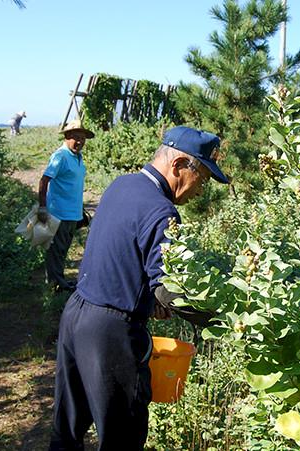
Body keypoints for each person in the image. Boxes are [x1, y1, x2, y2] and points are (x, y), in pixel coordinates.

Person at [49, 126, 228, 450]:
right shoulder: (162, 211)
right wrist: (223, 322)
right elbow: (170, 290)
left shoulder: (122, 185)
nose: (201, 190)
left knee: (67, 431)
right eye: (201, 178)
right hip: (111, 335)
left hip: (76, 316)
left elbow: (122, 255)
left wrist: (145, 295)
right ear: (178, 167)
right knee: (123, 437)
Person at [38, 119, 93, 292]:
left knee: (62, 249)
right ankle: (55, 284)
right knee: (56, 249)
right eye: (76, 137)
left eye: (82, 139)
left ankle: (58, 280)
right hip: (59, 213)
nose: (80, 142)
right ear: (67, 137)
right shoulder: (60, 156)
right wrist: (42, 208)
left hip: (73, 213)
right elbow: (44, 181)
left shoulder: (78, 157)